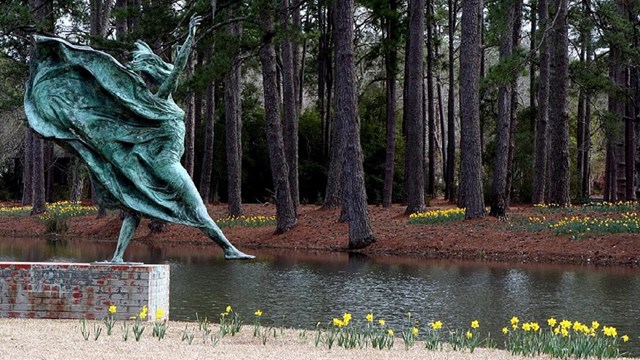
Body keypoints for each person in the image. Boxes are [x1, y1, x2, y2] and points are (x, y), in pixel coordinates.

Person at [24, 15, 253, 262]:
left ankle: (118, 257)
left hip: (155, 163)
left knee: (134, 208)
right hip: (166, 165)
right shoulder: (159, 101)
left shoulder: (161, 103)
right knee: (197, 208)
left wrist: (180, 50)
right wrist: (189, 39)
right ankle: (228, 248)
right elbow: (177, 71)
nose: (170, 77)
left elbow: (175, 71)